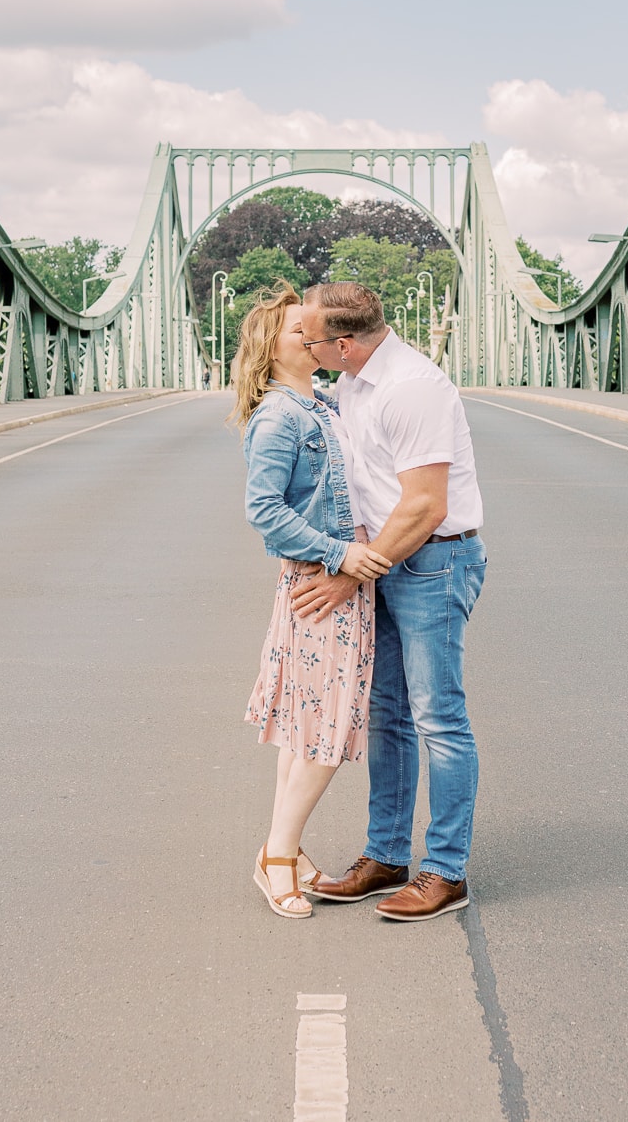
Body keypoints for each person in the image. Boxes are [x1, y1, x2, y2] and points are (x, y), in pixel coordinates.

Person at [295, 283, 486, 923]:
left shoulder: (413, 388)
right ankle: (386, 857)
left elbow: (427, 505)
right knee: (389, 715)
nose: (307, 346)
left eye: (312, 339)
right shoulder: (352, 383)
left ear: (343, 344)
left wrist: (351, 576)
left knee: (438, 717)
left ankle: (445, 870)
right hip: (388, 560)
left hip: (433, 560)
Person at [234, 281, 392, 920]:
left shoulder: (323, 404)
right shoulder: (282, 415)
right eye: (299, 325)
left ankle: (283, 853)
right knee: (326, 731)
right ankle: (278, 854)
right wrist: (342, 556)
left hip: (337, 581)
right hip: (320, 583)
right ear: (271, 345)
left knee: (308, 726)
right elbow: (264, 511)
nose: (312, 331)